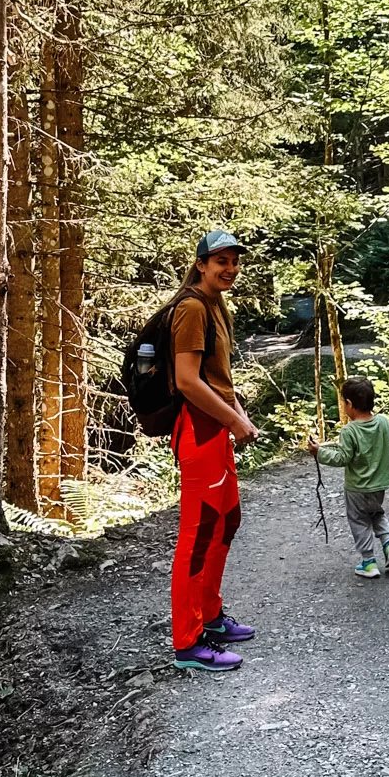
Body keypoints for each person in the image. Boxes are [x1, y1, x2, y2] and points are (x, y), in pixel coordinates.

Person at [169, 229, 260, 672]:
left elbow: (218, 377)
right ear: (201, 264)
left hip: (217, 429)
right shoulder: (190, 308)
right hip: (198, 430)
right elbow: (187, 381)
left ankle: (210, 614)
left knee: (227, 521)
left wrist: (238, 413)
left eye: (235, 261)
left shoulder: (215, 305)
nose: (230, 268)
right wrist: (233, 420)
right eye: (221, 261)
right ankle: (187, 642)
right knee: (199, 533)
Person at [307, 376, 389, 579]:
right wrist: (388, 474)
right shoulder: (383, 423)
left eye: (343, 402)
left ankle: (369, 563)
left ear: (349, 404)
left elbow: (342, 457)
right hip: (379, 486)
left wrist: (319, 452)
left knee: (359, 521)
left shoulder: (349, 431)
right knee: (376, 513)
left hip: (357, 489)